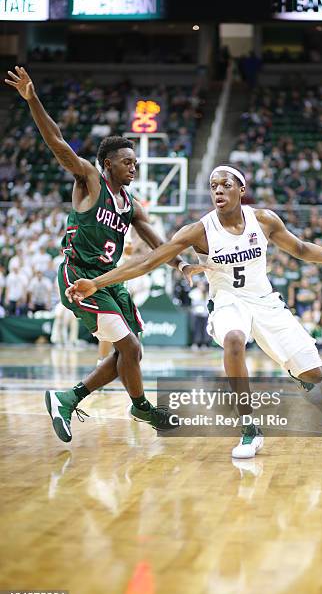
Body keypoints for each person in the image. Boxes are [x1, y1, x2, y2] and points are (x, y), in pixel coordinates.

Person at [66, 165, 322, 458]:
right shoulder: (200, 230)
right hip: (227, 301)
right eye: (213, 186)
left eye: (225, 185)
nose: (218, 190)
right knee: (234, 339)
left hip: (265, 301)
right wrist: (96, 283)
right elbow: (147, 262)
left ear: (241, 190)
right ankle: (249, 429)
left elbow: (301, 248)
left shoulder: (263, 220)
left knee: (314, 374)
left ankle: (298, 371)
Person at [5, 66, 204, 443]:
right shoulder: (90, 181)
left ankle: (69, 398)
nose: (134, 166)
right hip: (79, 276)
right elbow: (59, 144)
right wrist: (33, 100)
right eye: (128, 162)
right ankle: (140, 406)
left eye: (135, 162)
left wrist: (179, 263)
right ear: (108, 163)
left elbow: (154, 240)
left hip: (109, 281)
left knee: (131, 353)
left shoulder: (130, 203)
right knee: (127, 347)